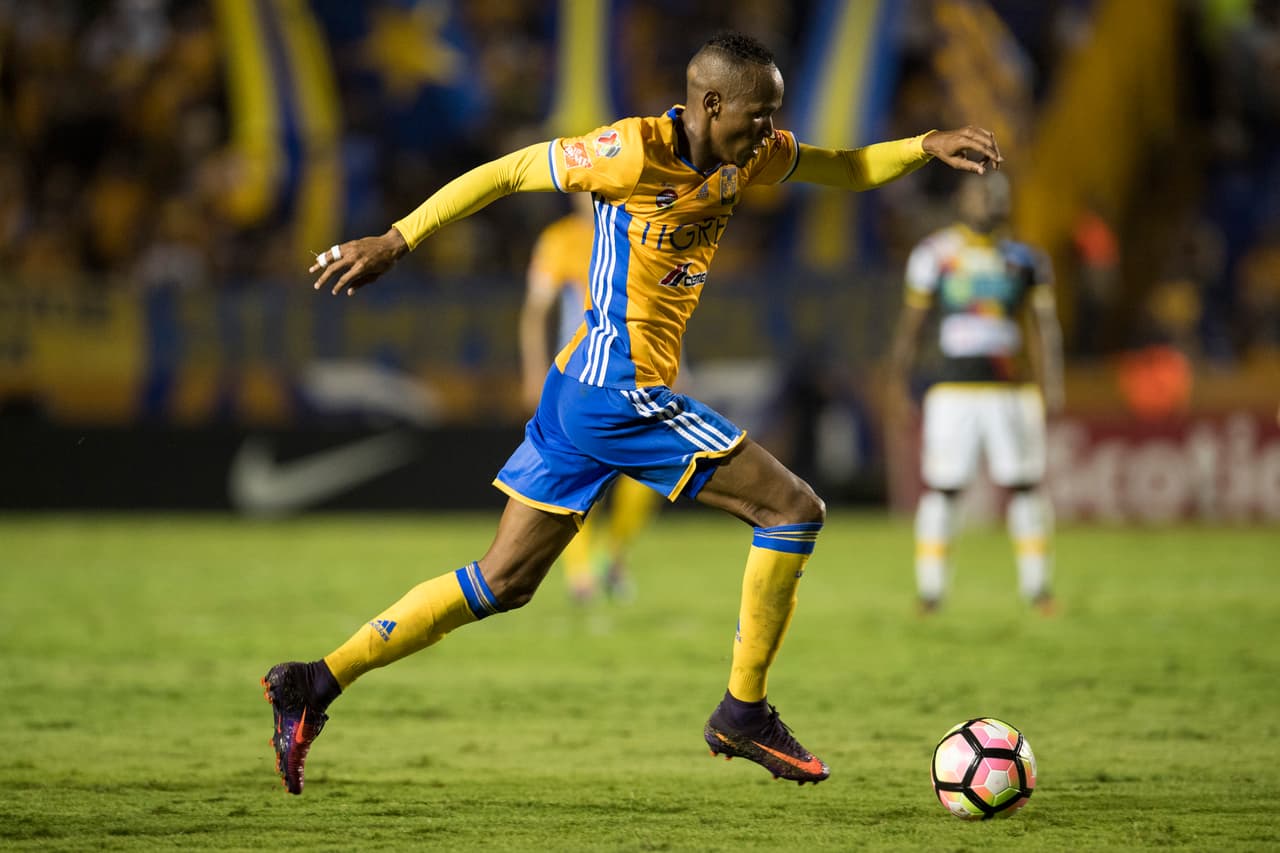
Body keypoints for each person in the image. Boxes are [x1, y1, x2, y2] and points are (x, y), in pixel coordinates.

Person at [263, 31, 1003, 795]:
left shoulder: (747, 154)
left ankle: (313, 682)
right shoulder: (628, 152)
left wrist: (924, 144)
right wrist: (398, 237)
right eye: (758, 114)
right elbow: (512, 170)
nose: (770, 130)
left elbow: (844, 167)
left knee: (501, 581)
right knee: (792, 508)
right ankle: (741, 712)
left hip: (580, 389)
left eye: (774, 115)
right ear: (710, 104)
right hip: (619, 391)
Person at [885, 172, 1063, 614]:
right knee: (944, 489)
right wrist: (897, 379)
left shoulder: (1026, 259)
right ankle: (930, 593)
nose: (990, 200)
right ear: (962, 200)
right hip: (952, 391)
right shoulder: (935, 254)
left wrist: (1050, 383)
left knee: (1024, 487)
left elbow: (1043, 328)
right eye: (982, 193)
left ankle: (1038, 589)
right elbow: (914, 323)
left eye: (998, 194)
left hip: (1011, 391)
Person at [519, 193, 659, 603]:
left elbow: (652, 308)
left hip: (633, 371)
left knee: (649, 474)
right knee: (577, 472)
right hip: (579, 376)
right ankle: (581, 576)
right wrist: (533, 370)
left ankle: (612, 557)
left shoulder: (634, 231)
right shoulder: (560, 239)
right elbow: (536, 311)